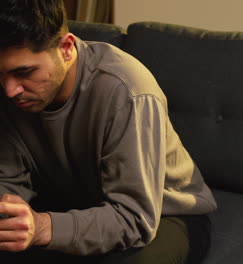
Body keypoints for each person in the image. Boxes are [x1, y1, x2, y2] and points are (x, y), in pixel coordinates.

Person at [0, 0, 217, 263]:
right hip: (73, 204)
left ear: (66, 48)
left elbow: (133, 218)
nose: (11, 90)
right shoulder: (9, 91)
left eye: (24, 72)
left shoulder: (127, 90)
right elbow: (10, 183)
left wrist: (44, 227)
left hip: (162, 215)